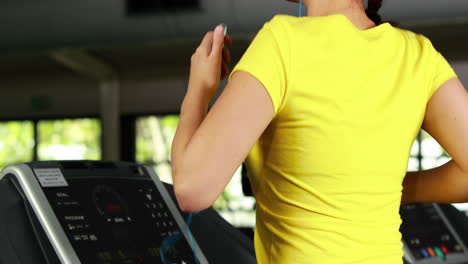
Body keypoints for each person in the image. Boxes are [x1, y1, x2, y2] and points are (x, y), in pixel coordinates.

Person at [171, 0, 468, 263]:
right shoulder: (418, 55)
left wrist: (198, 92)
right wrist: (385, 189)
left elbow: (192, 189)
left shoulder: (282, 42)